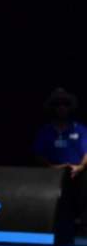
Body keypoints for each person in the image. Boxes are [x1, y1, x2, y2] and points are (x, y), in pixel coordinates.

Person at [33, 88, 87, 236]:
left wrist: (80, 167)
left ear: (71, 107)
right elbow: (38, 155)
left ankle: (83, 224)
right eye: (57, 103)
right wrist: (54, 168)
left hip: (76, 171)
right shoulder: (45, 130)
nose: (61, 106)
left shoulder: (80, 129)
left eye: (65, 103)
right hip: (52, 173)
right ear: (52, 107)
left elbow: (86, 153)